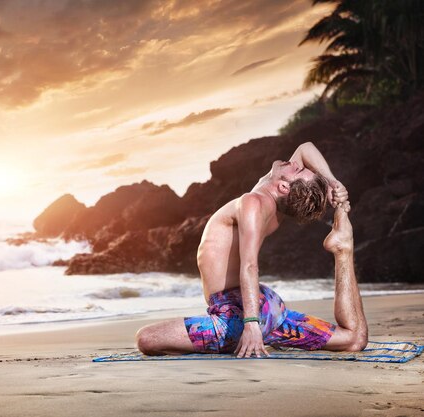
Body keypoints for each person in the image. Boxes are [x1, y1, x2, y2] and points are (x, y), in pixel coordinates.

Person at [135, 142, 368, 357]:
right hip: (270, 309)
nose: (296, 163)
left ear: (284, 186)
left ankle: (255, 331)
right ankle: (343, 249)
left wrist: (251, 325)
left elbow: (249, 264)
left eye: (298, 170)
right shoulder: (269, 197)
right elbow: (305, 148)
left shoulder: (253, 202)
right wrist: (332, 182)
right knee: (353, 339)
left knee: (146, 339)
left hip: (236, 315)